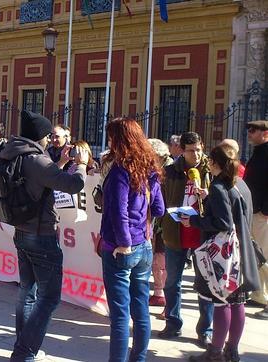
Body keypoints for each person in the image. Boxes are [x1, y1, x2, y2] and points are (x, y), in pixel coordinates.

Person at [0, 110, 88, 361]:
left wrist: (59, 164)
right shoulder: (37, 160)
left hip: (22, 230)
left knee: (27, 292)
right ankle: (24, 352)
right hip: (42, 234)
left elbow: (41, 181)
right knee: (49, 298)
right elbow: (73, 185)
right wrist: (80, 165)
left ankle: (23, 342)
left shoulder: (15, 153)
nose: (50, 140)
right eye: (48, 135)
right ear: (40, 136)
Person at [182, 144, 260, 362]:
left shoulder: (218, 186)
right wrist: (208, 197)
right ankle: (232, 351)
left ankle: (215, 352)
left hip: (224, 255)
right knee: (238, 302)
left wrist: (194, 220)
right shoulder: (240, 183)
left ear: (214, 163)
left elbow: (223, 222)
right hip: (241, 250)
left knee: (221, 301)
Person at [100, 118, 165, 362]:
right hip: (144, 245)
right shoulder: (150, 168)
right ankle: (139, 358)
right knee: (141, 310)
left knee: (119, 315)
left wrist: (124, 243)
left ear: (119, 140)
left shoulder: (120, 171)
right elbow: (159, 209)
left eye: (111, 137)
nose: (108, 142)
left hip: (121, 248)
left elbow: (118, 211)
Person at [158, 132, 214, 348]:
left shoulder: (209, 169)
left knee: (204, 284)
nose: (197, 154)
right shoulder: (171, 171)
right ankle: (173, 323)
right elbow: (161, 197)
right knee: (172, 282)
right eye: (191, 150)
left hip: (202, 233)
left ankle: (205, 330)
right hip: (176, 232)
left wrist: (206, 196)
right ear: (182, 150)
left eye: (199, 149)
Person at [244, 120, 268, 320]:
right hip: (254, 210)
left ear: (265, 133)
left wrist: (265, 211)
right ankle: (259, 295)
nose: (249, 133)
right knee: (257, 256)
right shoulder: (259, 152)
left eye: (253, 130)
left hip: (262, 213)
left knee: (266, 256)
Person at [147, 138, 174, 309]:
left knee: (163, 259)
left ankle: (163, 295)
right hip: (156, 221)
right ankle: (158, 293)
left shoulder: (169, 171)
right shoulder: (155, 169)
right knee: (156, 258)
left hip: (167, 221)